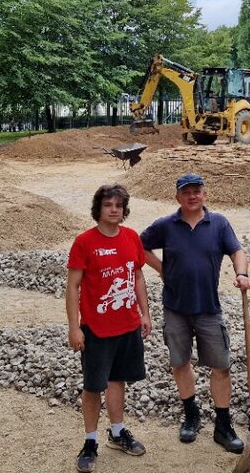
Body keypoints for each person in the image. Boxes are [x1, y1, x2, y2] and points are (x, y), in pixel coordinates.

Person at [140, 173, 250, 454]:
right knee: (180, 363)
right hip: (175, 307)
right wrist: (162, 269)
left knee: (221, 366)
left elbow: (237, 251)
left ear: (205, 194)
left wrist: (241, 273)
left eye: (197, 191)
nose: (192, 196)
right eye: (186, 191)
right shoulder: (166, 225)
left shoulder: (219, 224)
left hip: (208, 308)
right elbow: (139, 246)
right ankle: (191, 415)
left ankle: (223, 425)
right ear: (177, 197)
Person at [66, 184, 152, 473]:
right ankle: (90, 440)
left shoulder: (131, 238)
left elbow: (137, 276)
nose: (114, 209)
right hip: (96, 328)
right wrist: (74, 327)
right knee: (93, 386)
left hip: (127, 325)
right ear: (98, 209)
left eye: (118, 205)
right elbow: (73, 286)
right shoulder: (84, 242)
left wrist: (145, 313)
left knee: (118, 380)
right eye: (108, 205)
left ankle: (117, 431)